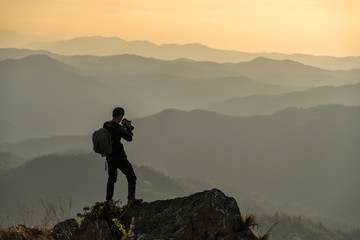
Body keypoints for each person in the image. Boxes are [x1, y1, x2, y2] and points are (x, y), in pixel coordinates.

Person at [103, 107, 143, 207]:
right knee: (131, 176)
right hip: (120, 157)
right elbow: (129, 138)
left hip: (109, 157)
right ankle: (131, 199)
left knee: (111, 179)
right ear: (121, 115)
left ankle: (108, 202)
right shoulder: (119, 128)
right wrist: (128, 128)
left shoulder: (106, 125)